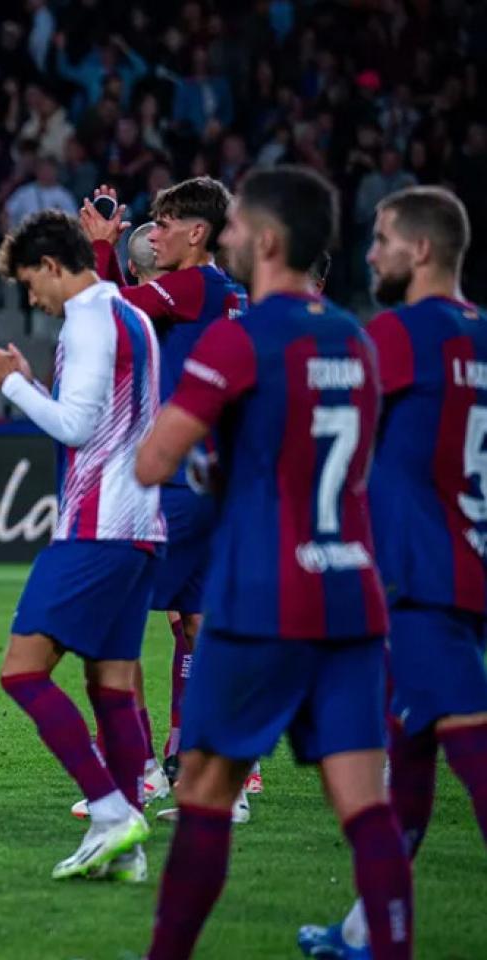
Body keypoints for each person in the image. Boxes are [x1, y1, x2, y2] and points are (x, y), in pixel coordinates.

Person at [134, 166, 411, 960]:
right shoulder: (357, 340)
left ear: (270, 239)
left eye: (236, 226)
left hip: (263, 597)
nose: (224, 238)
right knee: (364, 809)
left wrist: (211, 463)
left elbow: (156, 461)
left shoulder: (240, 337)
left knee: (205, 793)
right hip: (352, 597)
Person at [298, 186, 487, 959]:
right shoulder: (479, 334)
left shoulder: (403, 333)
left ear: (419, 250)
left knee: (473, 757)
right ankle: (369, 931)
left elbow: (332, 415)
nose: (370, 254)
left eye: (380, 239)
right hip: (463, 564)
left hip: (417, 579)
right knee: (405, 762)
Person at [0, 209, 163, 882]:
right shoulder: (132, 316)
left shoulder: (89, 320)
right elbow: (105, 422)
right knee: (111, 687)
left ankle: (110, 811)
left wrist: (9, 384)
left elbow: (76, 430)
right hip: (142, 528)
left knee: (21, 671)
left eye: (29, 283)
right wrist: (30, 379)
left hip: (97, 526)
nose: (31, 299)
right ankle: (125, 844)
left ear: (51, 266)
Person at [79, 177, 250, 812]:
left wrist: (100, 248)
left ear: (197, 233)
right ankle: (222, 786)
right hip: (215, 480)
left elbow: (105, 312)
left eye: (165, 222)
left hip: (175, 481)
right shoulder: (231, 296)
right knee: (202, 626)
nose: (155, 232)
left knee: (107, 618)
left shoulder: (191, 284)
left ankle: (140, 769)